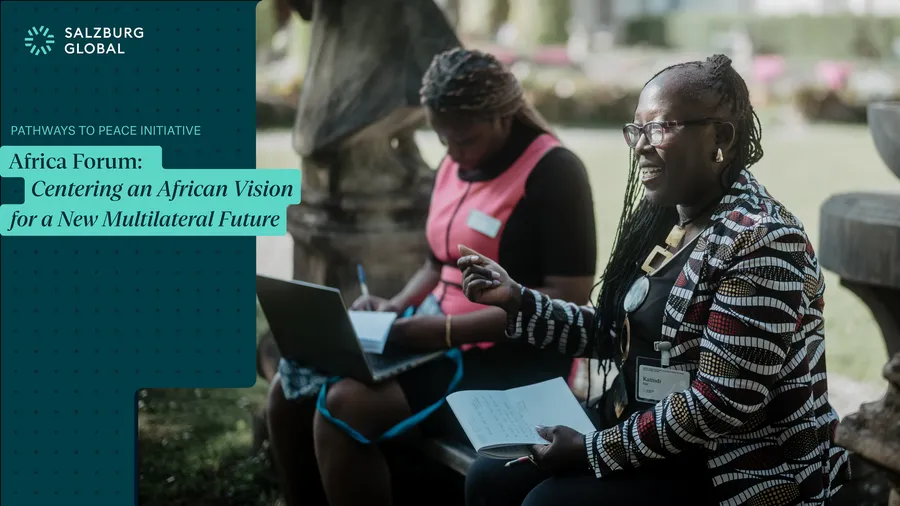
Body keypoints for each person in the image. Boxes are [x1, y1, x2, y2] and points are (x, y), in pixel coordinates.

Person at [458, 54, 851, 506]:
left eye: (660, 127)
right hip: (643, 430)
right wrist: (517, 301)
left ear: (720, 137)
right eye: (636, 130)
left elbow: (721, 403)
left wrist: (590, 450)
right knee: (489, 476)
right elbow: (618, 332)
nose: (640, 146)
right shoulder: (668, 220)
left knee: (548, 504)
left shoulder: (762, 241)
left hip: (727, 465)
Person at [266, 47, 598, 506]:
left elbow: (570, 297)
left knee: (344, 405)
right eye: (443, 138)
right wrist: (395, 307)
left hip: (507, 359)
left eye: (464, 138)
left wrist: (441, 332)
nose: (453, 152)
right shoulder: (452, 162)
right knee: (288, 387)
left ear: (502, 116)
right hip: (433, 338)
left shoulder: (556, 172)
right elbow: (435, 263)